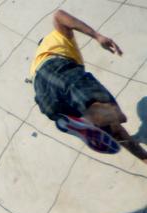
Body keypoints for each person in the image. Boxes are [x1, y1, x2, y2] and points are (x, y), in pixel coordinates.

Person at [30, 10, 147, 162]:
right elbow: (58, 15)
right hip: (57, 69)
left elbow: (117, 130)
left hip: (44, 96)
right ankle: (87, 121)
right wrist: (97, 36)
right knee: (108, 109)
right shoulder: (55, 40)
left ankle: (85, 122)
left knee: (111, 126)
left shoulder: (35, 63)